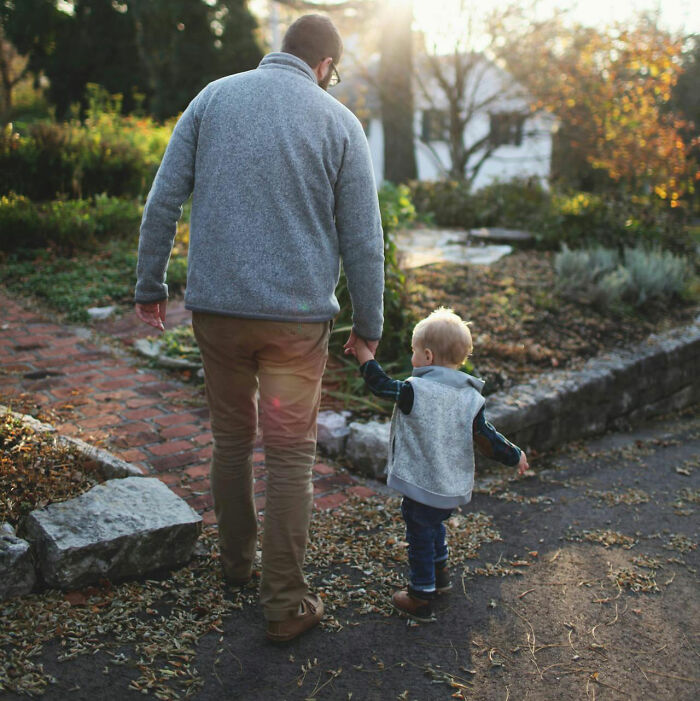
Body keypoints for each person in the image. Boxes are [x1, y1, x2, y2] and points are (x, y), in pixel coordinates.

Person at [133, 14, 384, 642]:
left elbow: (164, 199)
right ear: (326, 65)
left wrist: (149, 286)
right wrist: (369, 326)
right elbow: (364, 241)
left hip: (218, 312)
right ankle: (285, 602)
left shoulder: (214, 98)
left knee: (231, 440)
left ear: (284, 51)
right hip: (297, 324)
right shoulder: (340, 123)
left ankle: (235, 565)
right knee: (291, 456)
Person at [350, 307, 528, 622]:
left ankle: (420, 594)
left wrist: (364, 353)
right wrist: (514, 454)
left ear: (428, 356)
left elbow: (379, 384)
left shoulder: (415, 390)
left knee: (419, 531)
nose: (412, 358)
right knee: (435, 524)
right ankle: (441, 573)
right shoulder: (469, 398)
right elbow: (486, 437)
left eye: (414, 352)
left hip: (422, 482)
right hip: (449, 484)